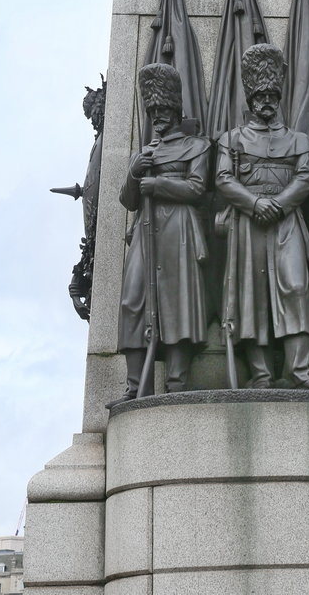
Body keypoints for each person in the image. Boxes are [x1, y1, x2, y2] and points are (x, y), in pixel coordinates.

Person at [216, 43, 309, 389]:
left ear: (278, 97)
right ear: (250, 98)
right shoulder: (231, 139)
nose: (266, 101)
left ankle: (299, 372)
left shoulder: (297, 140)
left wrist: (278, 204)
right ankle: (261, 374)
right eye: (259, 95)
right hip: (248, 222)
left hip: (286, 221)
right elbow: (222, 178)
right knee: (253, 296)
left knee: (295, 288)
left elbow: (306, 177)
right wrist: (252, 203)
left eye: (271, 95)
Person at [116, 63, 210, 401]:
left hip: (179, 228)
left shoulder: (196, 147)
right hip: (144, 232)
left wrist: (157, 182)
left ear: (175, 109)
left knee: (177, 302)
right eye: (153, 110)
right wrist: (134, 173)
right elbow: (128, 200)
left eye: (164, 110)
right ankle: (134, 387)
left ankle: (176, 382)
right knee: (133, 300)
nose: (158, 116)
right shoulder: (141, 153)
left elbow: (198, 188)